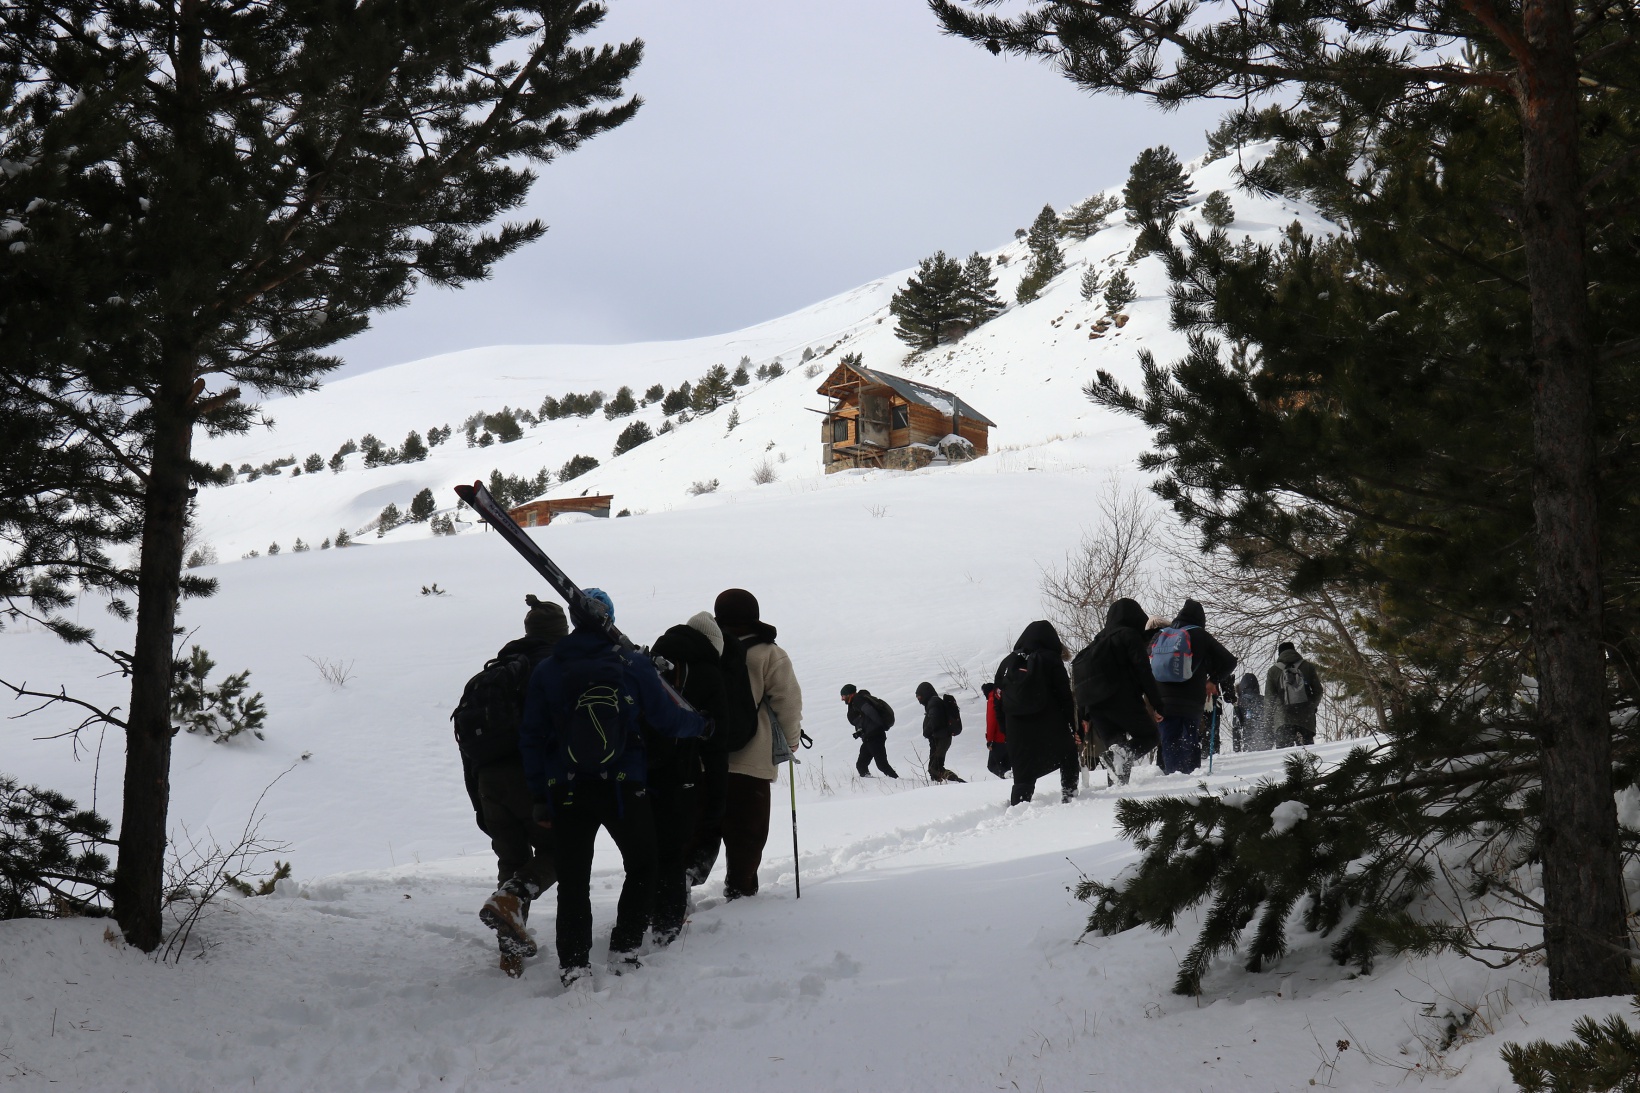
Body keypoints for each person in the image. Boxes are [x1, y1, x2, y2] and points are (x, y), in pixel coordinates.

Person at [518, 588, 708, 988]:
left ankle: (574, 965)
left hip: (566, 789)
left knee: (573, 877)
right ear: (610, 619)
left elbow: (532, 736)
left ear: (574, 620)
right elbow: (667, 719)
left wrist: (539, 795)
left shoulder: (550, 670)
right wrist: (702, 725)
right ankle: (624, 951)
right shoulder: (631, 664)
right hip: (623, 788)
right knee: (642, 863)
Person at [466, 594, 565, 977]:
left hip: (488, 780)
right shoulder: (549, 669)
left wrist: (480, 800)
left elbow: (468, 746)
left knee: (511, 860)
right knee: (563, 850)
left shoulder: (494, 672)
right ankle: (510, 899)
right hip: (528, 776)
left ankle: (509, 950)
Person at [713, 588, 803, 901]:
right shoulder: (768, 652)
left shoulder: (702, 646)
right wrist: (791, 742)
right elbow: (787, 701)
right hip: (750, 759)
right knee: (746, 832)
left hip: (701, 757)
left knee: (698, 828)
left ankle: (678, 888)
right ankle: (740, 889)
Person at [646, 611, 729, 946]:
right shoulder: (708, 673)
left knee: (650, 846)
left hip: (642, 769)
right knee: (677, 848)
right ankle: (668, 925)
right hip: (683, 772)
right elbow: (716, 742)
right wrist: (718, 797)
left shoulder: (651, 661)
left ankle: (644, 915)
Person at [1071, 598, 1165, 787]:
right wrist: (1157, 703)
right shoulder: (1128, 635)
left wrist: (1084, 715)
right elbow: (1143, 671)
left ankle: (1116, 792)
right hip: (1121, 699)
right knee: (1149, 736)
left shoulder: (1098, 640)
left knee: (1117, 747)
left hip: (1095, 705)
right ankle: (1118, 765)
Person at [995, 620, 1079, 805]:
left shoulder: (1008, 662)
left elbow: (997, 700)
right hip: (1049, 722)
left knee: (1023, 776)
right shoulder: (1051, 659)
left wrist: (1006, 730)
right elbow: (1065, 696)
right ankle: (1069, 796)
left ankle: (1018, 809)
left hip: (1016, 726)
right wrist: (1074, 727)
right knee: (1068, 753)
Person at [1150, 598, 1238, 775]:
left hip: (1164, 701)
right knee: (1190, 740)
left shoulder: (1160, 635)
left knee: (1169, 741)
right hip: (1191, 700)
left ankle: (1172, 779)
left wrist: (1153, 702)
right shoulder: (1199, 634)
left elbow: (1148, 667)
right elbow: (1229, 661)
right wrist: (1213, 680)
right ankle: (1190, 782)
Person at [1266, 641, 1323, 746]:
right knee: (1308, 756)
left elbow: (1269, 698)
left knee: (1285, 758)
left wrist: (1268, 722)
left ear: (1280, 654)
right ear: (1294, 651)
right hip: (1305, 719)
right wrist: (1311, 706)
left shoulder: (1273, 671)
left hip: (1283, 719)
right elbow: (1318, 691)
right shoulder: (1307, 666)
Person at [842, 684, 898, 778]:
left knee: (882, 765)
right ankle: (868, 783)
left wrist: (881, 725)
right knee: (861, 765)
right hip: (869, 737)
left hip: (875, 736)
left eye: (843, 696)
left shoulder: (858, 700)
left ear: (849, 694)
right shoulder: (854, 702)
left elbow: (870, 711)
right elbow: (863, 719)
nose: (842, 699)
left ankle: (897, 781)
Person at [915, 682, 964, 783]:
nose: (919, 700)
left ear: (925, 694)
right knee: (933, 768)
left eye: (919, 697)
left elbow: (935, 719)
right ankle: (939, 787)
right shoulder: (933, 701)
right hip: (939, 739)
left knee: (936, 768)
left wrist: (927, 732)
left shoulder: (933, 702)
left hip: (942, 739)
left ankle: (958, 782)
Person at [982, 681, 1011, 779]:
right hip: (1010, 737)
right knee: (1006, 766)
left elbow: (991, 721)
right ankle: (1008, 781)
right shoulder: (1004, 697)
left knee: (992, 765)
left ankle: (1007, 776)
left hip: (998, 739)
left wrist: (990, 740)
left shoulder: (992, 700)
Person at [1232, 672, 1267, 751]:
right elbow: (1270, 722)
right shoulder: (1264, 700)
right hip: (1264, 743)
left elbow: (1236, 727)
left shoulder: (1239, 703)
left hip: (1247, 743)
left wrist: (1236, 748)